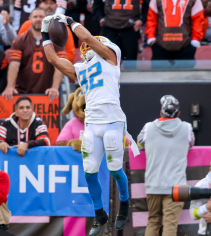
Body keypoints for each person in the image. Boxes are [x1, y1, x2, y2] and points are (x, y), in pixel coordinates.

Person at [42, 14, 140, 236]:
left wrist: (69, 20)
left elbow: (86, 35)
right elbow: (54, 60)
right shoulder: (81, 68)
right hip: (92, 124)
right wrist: (45, 33)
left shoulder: (111, 57)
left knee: (115, 168)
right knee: (89, 172)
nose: (87, 45)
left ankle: (124, 203)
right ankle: (99, 213)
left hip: (113, 120)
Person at [137, 95, 195, 236]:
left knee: (153, 221)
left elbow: (139, 144)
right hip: (178, 186)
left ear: (161, 112)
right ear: (179, 113)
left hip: (153, 183)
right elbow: (191, 145)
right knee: (170, 224)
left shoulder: (148, 128)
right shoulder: (187, 128)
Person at [2, 8, 65, 102]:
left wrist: (54, 87)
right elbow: (14, 65)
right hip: (23, 92)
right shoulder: (20, 40)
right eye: (35, 17)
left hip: (48, 93)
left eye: (41, 17)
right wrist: (10, 86)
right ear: (29, 19)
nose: (38, 19)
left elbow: (60, 66)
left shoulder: (56, 40)